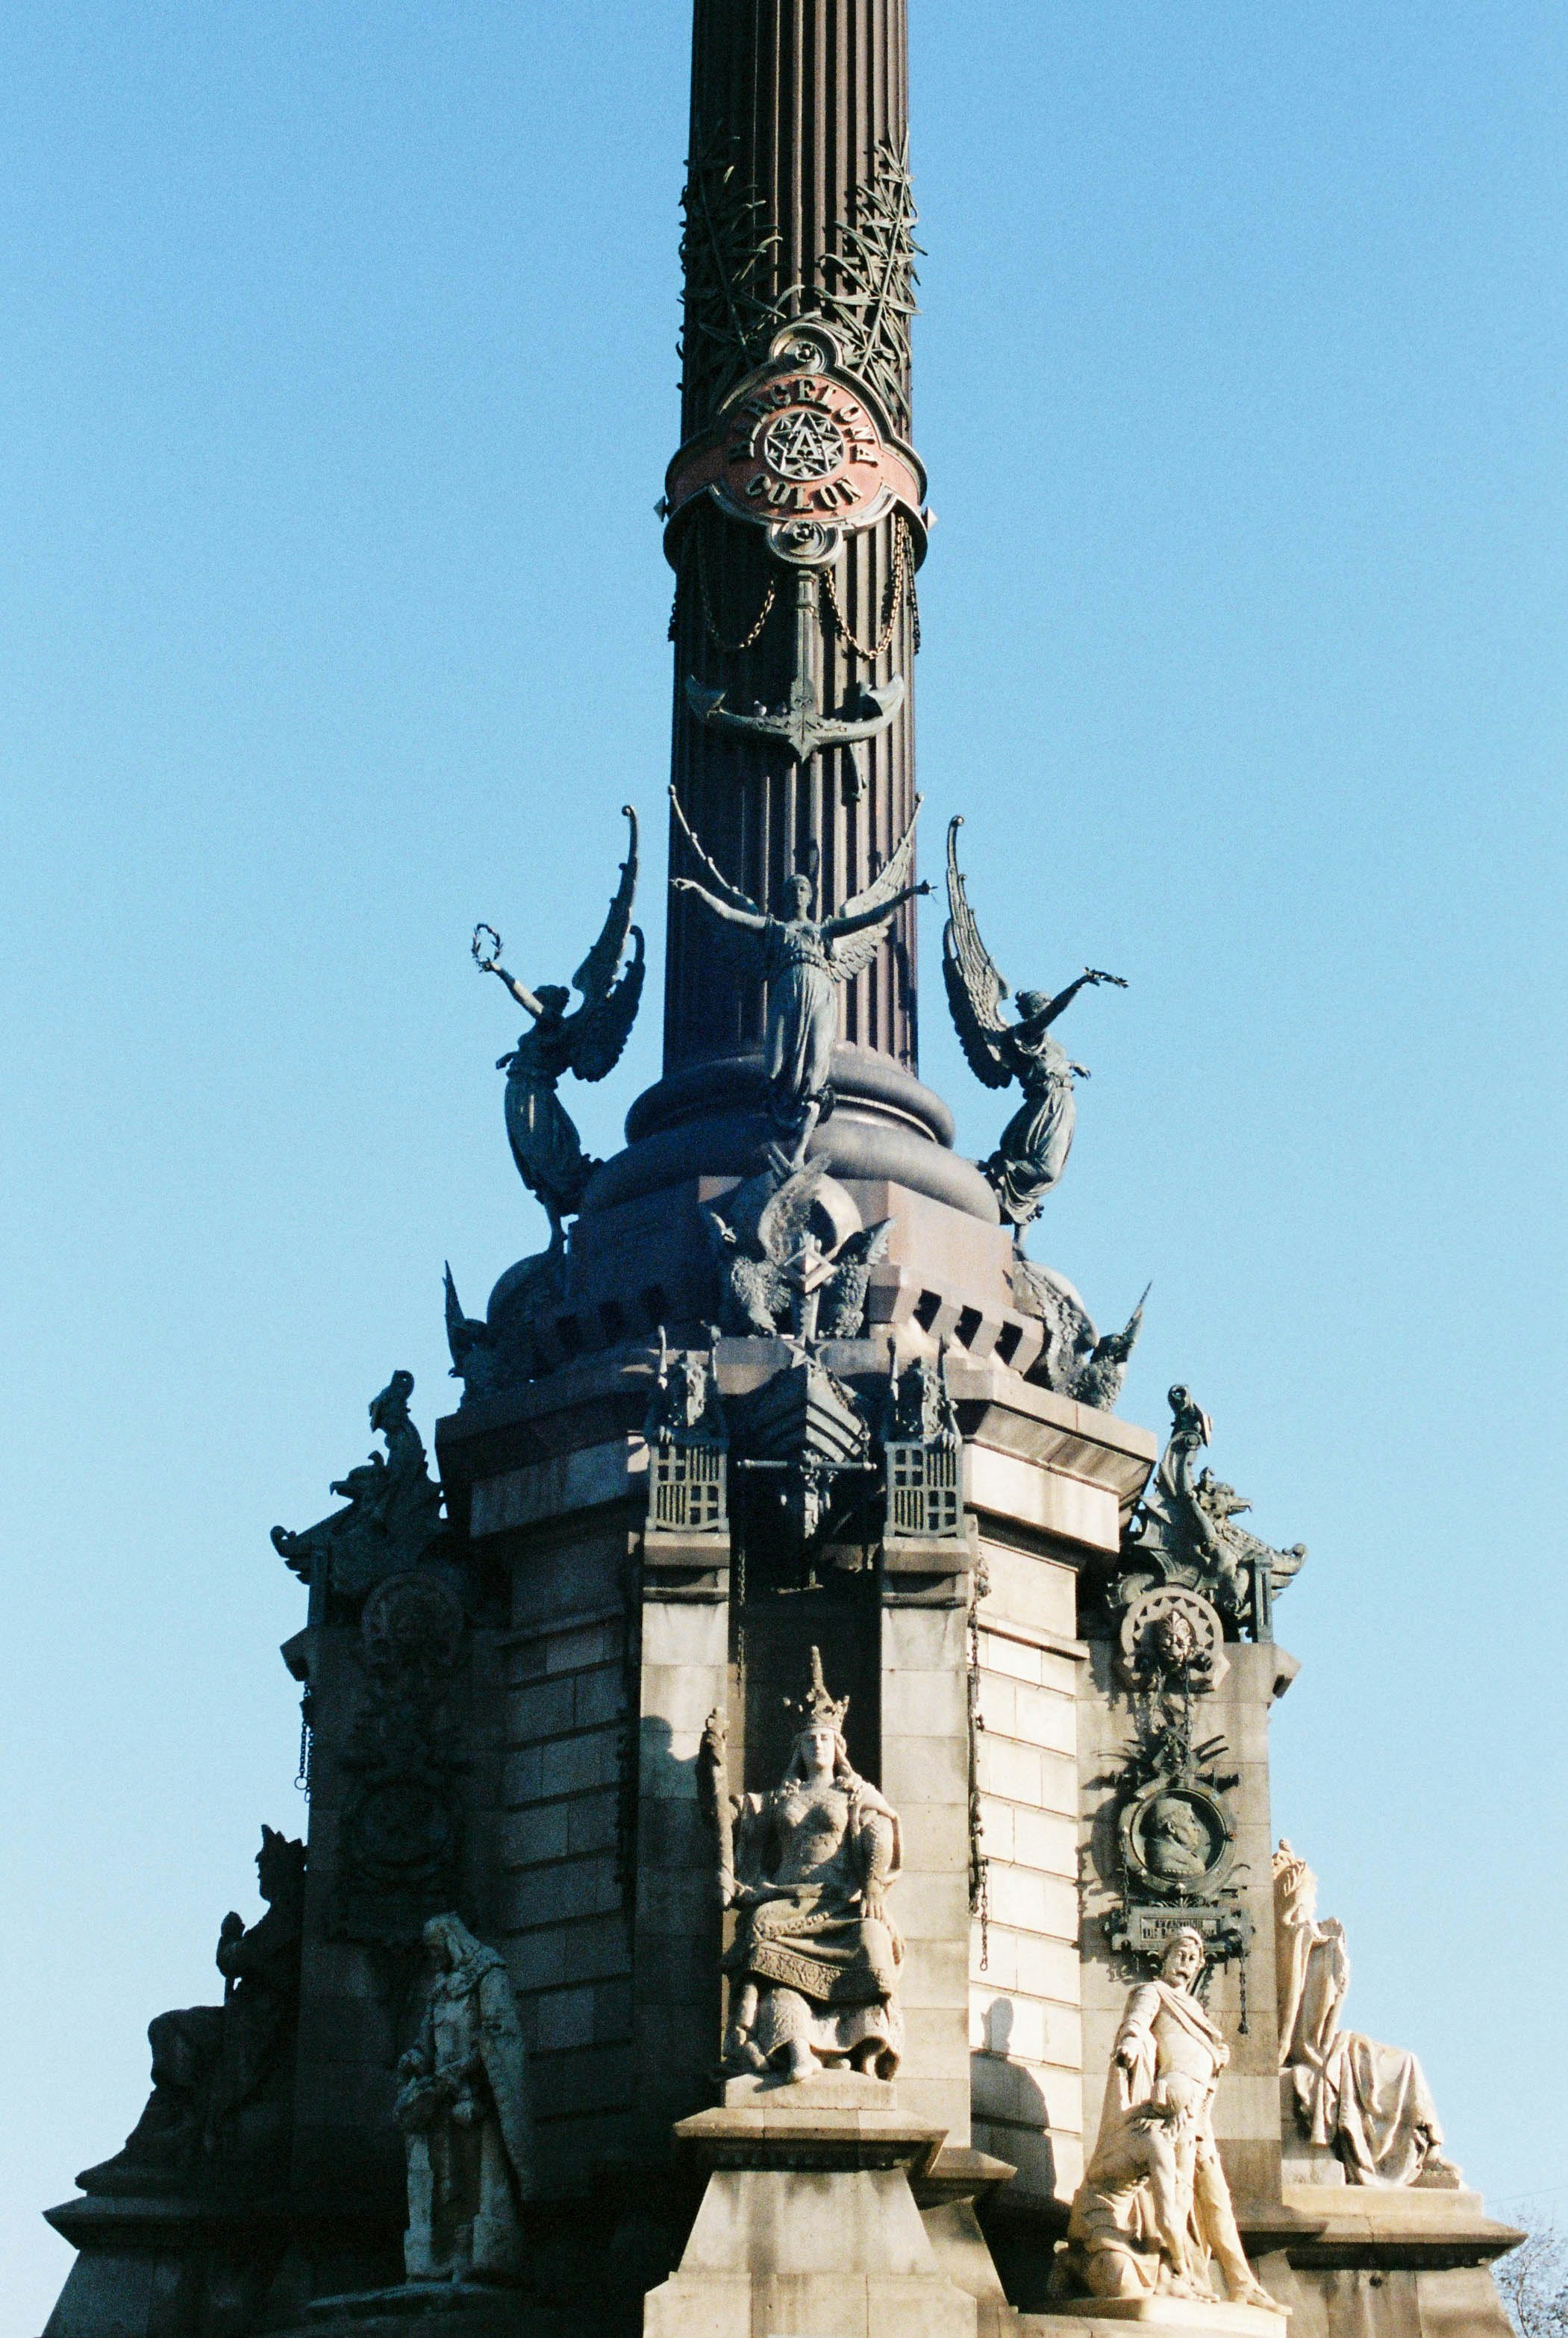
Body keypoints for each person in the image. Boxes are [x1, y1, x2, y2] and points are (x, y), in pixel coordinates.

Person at [708, 1650, 904, 2081]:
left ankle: (865, 2054)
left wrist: (871, 1883)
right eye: (810, 1739)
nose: (818, 1745)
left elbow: (880, 1830)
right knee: (762, 1938)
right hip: (786, 1896)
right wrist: (714, 1771)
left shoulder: (855, 1793)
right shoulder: (780, 1797)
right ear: (799, 1746)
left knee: (872, 1938)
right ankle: (792, 2050)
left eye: (825, 1739)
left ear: (838, 1746)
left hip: (839, 1899)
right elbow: (729, 1817)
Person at [1065, 1928, 1275, 2309]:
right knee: (1177, 2192)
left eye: (1193, 1958)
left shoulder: (1194, 2008)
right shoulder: (1153, 1991)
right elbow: (1137, 2023)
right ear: (1164, 1956)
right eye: (1179, 1954)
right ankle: (1179, 2272)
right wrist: (1129, 2045)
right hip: (1174, 2102)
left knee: (1216, 2198)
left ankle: (1241, 2282)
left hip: (1199, 2111)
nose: (1186, 1963)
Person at [1273, 1840, 1460, 2187]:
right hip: (1313, 2047)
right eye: (1307, 1901)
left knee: (1403, 2061)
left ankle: (1423, 2149)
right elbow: (1292, 2025)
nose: (1310, 1910)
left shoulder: (1303, 1937)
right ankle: (1420, 2153)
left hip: (1329, 2043)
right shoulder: (1286, 1940)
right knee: (1404, 2064)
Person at [396, 1914, 536, 2284]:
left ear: (451, 1942)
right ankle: (444, 2260)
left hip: (478, 2098)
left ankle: (483, 2260)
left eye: (435, 1948)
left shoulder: (490, 1976)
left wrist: (460, 2070)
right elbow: (426, 2041)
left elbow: (499, 2035)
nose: (433, 1956)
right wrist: (415, 2058)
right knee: (446, 2184)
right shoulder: (440, 1990)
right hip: (442, 2099)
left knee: (478, 2180)